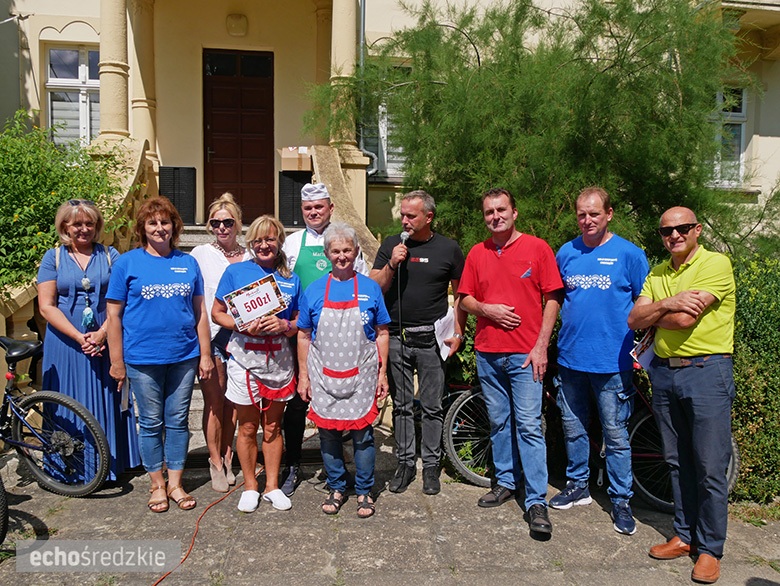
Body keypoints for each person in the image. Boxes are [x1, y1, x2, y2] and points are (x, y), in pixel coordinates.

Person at [627, 207, 735, 584]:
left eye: (682, 228)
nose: (674, 235)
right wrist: (670, 303)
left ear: (696, 230)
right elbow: (633, 319)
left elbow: (686, 319)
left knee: (708, 465)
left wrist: (654, 311)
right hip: (667, 374)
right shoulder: (658, 273)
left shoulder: (715, 264)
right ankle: (684, 535)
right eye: (666, 230)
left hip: (708, 373)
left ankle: (709, 549)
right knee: (676, 461)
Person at [458, 188, 563, 534]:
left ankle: (535, 501)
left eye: (501, 210)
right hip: (488, 353)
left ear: (514, 212)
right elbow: (465, 299)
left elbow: (552, 298)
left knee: (530, 426)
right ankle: (504, 481)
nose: (495, 217)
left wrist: (541, 347)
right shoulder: (477, 253)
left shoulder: (537, 248)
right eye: (489, 212)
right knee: (499, 422)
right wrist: (486, 309)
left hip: (525, 355)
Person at [551, 187, 650, 535]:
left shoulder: (630, 255)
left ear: (609, 214)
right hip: (571, 360)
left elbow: (646, 304)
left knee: (616, 435)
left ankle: (621, 500)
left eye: (594, 214)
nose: (587, 220)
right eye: (581, 214)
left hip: (613, 362)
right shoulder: (566, 252)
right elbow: (555, 300)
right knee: (573, 427)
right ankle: (578, 485)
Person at [107, 196, 213, 512]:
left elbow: (200, 312)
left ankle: (176, 484)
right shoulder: (127, 263)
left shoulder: (188, 262)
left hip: (183, 356)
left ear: (174, 226)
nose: (159, 228)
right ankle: (156, 485)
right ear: (143, 228)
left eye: (165, 222)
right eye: (152, 222)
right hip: (141, 358)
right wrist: (117, 361)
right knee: (151, 423)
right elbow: (113, 316)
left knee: (178, 421)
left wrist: (205, 353)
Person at [37, 199, 141, 483]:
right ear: (64, 227)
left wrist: (103, 333)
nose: (84, 229)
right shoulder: (53, 257)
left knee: (107, 396)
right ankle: (71, 467)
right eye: (77, 224)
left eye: (89, 223)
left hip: (105, 340)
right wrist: (78, 335)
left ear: (97, 226)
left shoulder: (111, 255)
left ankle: (109, 465)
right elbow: (46, 306)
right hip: (65, 343)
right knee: (67, 401)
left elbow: (123, 300)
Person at [370, 190, 466, 496]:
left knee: (432, 406)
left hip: (431, 340)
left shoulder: (448, 249)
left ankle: (432, 467)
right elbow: (374, 286)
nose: (405, 220)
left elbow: (461, 296)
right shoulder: (391, 245)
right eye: (403, 214)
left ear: (429, 217)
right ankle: (405, 463)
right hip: (397, 338)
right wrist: (392, 264)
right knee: (401, 407)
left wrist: (459, 332)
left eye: (411, 215)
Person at [280, 182, 369, 496]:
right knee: (296, 405)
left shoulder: (347, 240)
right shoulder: (291, 244)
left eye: (319, 207)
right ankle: (292, 464)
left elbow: (364, 284)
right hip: (300, 335)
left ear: (331, 208)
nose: (313, 212)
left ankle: (340, 466)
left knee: (343, 400)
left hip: (342, 339)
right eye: (308, 208)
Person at [297, 222, 390, 517]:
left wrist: (382, 373)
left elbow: (382, 332)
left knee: (363, 435)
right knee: (327, 436)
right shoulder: (313, 291)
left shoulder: (371, 288)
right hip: (323, 377)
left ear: (356, 251)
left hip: (362, 376)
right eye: (335, 251)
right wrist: (303, 376)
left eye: (347, 250)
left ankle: (364, 491)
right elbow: (303, 335)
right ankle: (336, 486)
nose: (341, 256)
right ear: (326, 254)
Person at [212, 215, 301, 513]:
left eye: (270, 239)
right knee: (248, 427)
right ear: (251, 244)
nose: (264, 245)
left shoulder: (291, 279)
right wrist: (240, 325)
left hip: (278, 361)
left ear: (280, 242)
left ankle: (272, 486)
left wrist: (284, 325)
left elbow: (301, 320)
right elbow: (217, 313)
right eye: (258, 240)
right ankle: (250, 486)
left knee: (273, 427)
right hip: (244, 359)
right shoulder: (235, 272)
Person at [190, 193, 248, 492]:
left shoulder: (250, 254)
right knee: (214, 402)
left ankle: (228, 455)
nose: (222, 228)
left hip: (242, 340)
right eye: (216, 223)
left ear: (238, 223)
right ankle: (214, 461)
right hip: (211, 337)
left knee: (234, 404)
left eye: (227, 222)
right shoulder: (199, 254)